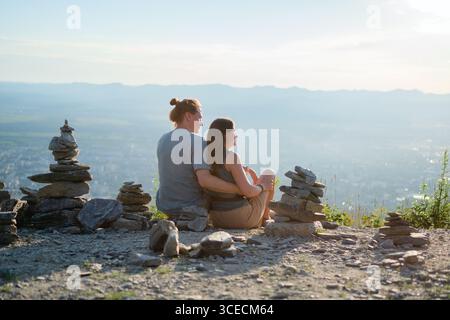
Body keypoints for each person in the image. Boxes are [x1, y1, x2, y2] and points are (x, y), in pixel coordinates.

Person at [156, 98, 244, 232]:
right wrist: (238, 189)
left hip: (164, 204)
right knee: (222, 180)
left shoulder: (163, 139)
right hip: (190, 205)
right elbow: (205, 181)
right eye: (200, 118)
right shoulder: (197, 142)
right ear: (188, 116)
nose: (202, 123)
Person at [205, 118, 275, 229]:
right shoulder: (231, 157)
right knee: (268, 173)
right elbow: (248, 192)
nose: (236, 135)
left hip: (216, 218)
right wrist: (262, 186)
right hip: (240, 218)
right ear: (226, 135)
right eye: (234, 132)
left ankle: (264, 216)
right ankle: (265, 219)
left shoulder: (206, 156)